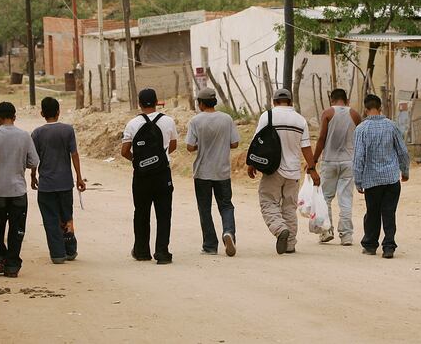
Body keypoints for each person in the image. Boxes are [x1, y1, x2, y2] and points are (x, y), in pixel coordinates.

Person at [248, 88, 319, 255]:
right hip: (293, 171)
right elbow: (306, 147)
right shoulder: (300, 120)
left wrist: (251, 163)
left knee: (268, 201)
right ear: (291, 102)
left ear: (274, 101)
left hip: (272, 168)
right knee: (289, 206)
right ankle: (290, 244)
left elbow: (256, 142)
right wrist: (312, 169)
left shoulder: (268, 116)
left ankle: (280, 229)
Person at [0, 101, 40, 278]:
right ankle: (12, 265)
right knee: (17, 229)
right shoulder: (24, 136)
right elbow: (34, 162)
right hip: (18, 192)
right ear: (14, 117)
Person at [121, 88, 178, 265]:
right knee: (163, 213)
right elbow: (173, 145)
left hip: (141, 176)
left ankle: (142, 251)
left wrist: (138, 161)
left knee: (141, 213)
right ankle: (162, 252)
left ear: (139, 103)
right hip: (162, 174)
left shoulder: (132, 124)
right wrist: (159, 158)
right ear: (156, 102)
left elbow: (124, 151)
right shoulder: (168, 121)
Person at [352, 94, 410, 259]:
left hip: (372, 180)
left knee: (373, 212)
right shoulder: (391, 126)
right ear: (380, 108)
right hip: (391, 179)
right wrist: (404, 171)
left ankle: (370, 245)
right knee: (389, 212)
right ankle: (389, 247)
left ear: (365, 109)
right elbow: (403, 151)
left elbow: (358, 157)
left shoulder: (361, 129)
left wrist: (358, 180)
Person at [30, 97, 86, 265]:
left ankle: (57, 254)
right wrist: (78, 176)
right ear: (58, 112)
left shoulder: (37, 133)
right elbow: (74, 154)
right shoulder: (67, 130)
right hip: (65, 183)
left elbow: (34, 159)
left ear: (42, 113)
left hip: (46, 185)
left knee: (50, 219)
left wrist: (33, 175)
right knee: (66, 216)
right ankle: (70, 250)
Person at [186, 88, 240, 257]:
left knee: (205, 208)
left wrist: (200, 145)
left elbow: (189, 147)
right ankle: (228, 232)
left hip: (202, 172)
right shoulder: (226, 119)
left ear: (201, 103)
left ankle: (210, 245)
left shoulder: (195, 121)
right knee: (226, 205)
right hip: (222, 172)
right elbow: (235, 144)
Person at [312, 88, 361, 246]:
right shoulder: (355, 114)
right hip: (349, 161)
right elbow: (359, 139)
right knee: (345, 199)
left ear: (331, 100)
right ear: (347, 101)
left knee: (326, 198)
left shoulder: (327, 113)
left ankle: (327, 231)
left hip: (330, 161)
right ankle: (346, 235)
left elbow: (321, 138)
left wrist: (313, 161)